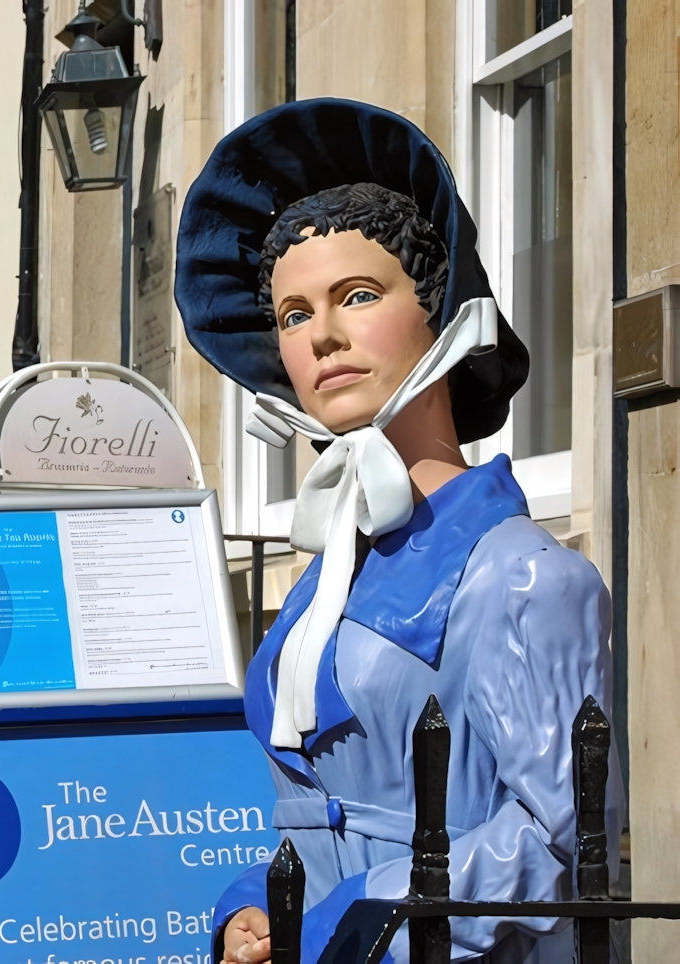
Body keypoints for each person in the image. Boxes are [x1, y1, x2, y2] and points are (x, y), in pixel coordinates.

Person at [175, 99, 620, 963]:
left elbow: (558, 851)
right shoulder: (327, 580)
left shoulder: (525, 579)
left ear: (441, 309)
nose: (323, 337)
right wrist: (256, 908)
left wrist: (354, 915)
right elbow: (321, 813)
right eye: (295, 314)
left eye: (359, 295)